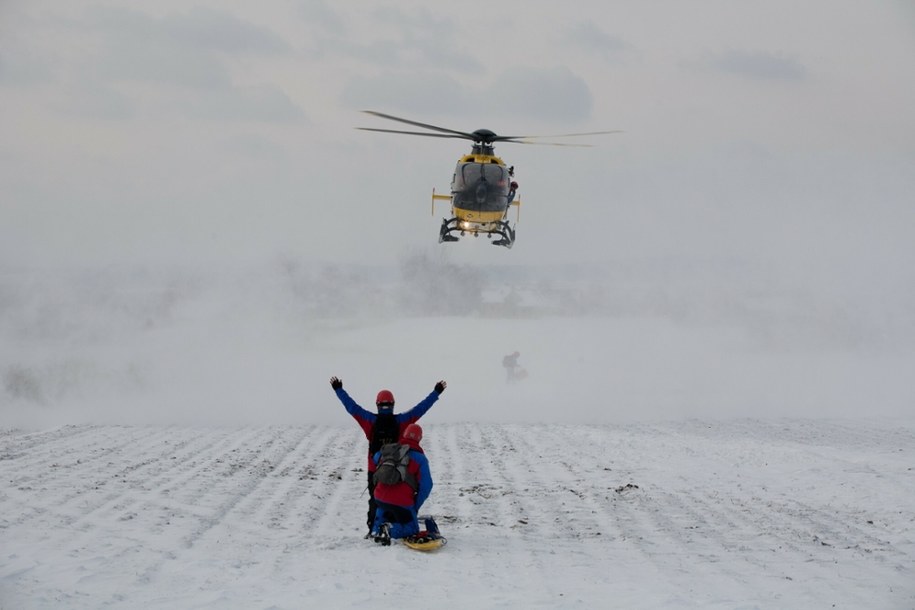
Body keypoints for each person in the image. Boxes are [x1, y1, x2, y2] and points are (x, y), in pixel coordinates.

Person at [330, 376, 446, 534]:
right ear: (393, 404)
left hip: (375, 470)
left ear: (377, 404)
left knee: (377, 500)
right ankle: (395, 526)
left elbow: (352, 408)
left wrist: (338, 389)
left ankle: (374, 529)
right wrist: (436, 392)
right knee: (397, 495)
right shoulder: (402, 421)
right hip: (399, 469)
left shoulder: (369, 420)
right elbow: (421, 409)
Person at [370, 423, 433, 545]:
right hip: (401, 502)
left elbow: (375, 458)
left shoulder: (388, 451)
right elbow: (426, 486)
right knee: (411, 529)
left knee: (383, 509)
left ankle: (376, 529)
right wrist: (414, 506)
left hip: (379, 497)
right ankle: (389, 531)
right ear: (419, 438)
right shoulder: (420, 458)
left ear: (404, 434)